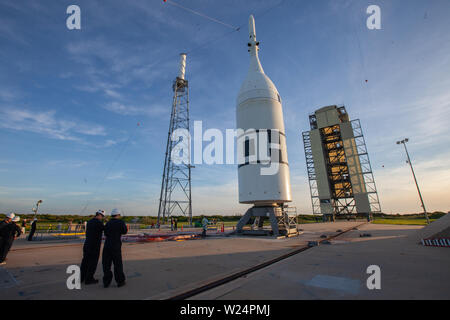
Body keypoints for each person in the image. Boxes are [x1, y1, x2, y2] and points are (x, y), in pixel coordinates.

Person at [102, 208, 127, 288]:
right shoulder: (120, 222)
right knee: (118, 264)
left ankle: (106, 282)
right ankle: (120, 281)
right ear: (118, 215)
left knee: (106, 265)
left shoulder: (108, 223)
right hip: (116, 246)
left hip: (107, 246)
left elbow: (105, 233)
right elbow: (124, 231)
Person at [80, 210, 105, 284]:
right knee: (93, 263)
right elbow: (105, 230)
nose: (102, 218)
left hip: (87, 244)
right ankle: (89, 279)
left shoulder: (89, 222)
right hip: (94, 245)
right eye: (102, 216)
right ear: (100, 215)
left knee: (85, 262)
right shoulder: (99, 223)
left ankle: (82, 277)